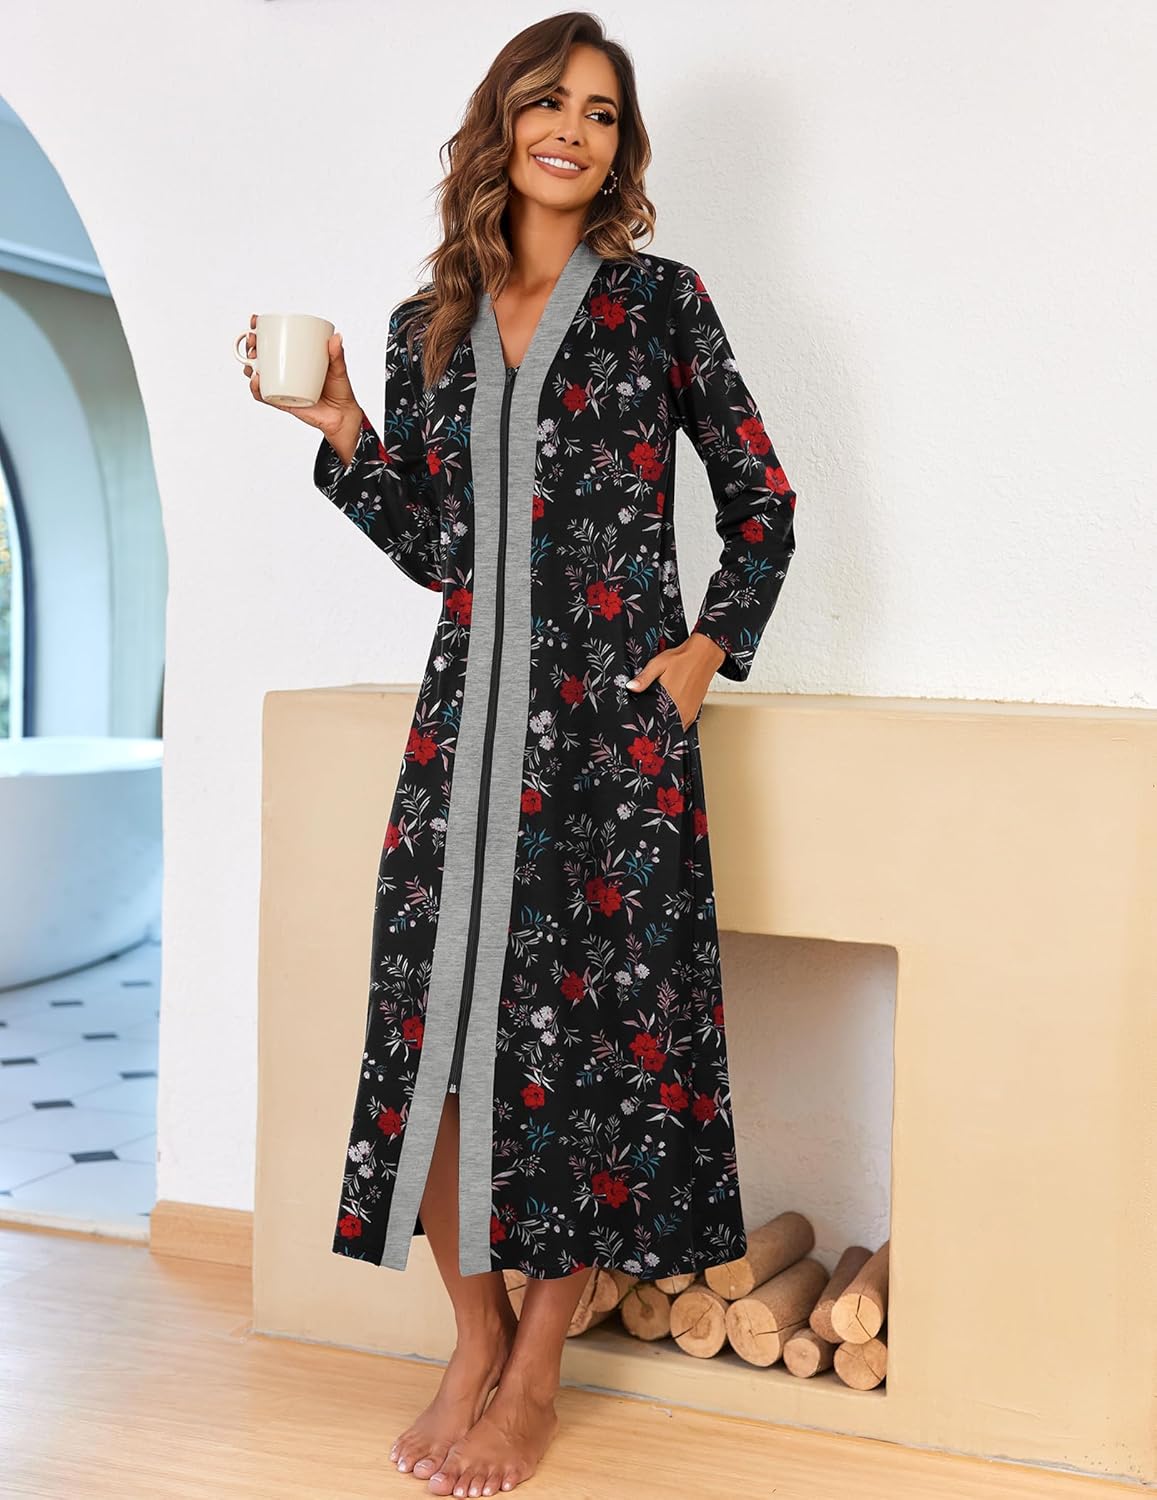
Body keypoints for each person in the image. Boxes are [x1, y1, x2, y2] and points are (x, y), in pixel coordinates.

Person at [240, 12, 797, 1496]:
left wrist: (707, 649)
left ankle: (537, 1368)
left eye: (601, 114)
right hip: (461, 740)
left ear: (621, 148)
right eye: (549, 102)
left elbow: (761, 498)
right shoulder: (429, 322)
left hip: (610, 748)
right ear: (501, 122)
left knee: (586, 1051)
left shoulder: (661, 303)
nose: (572, 130)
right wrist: (344, 423)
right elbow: (446, 551)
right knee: (431, 1045)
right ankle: (470, 1340)